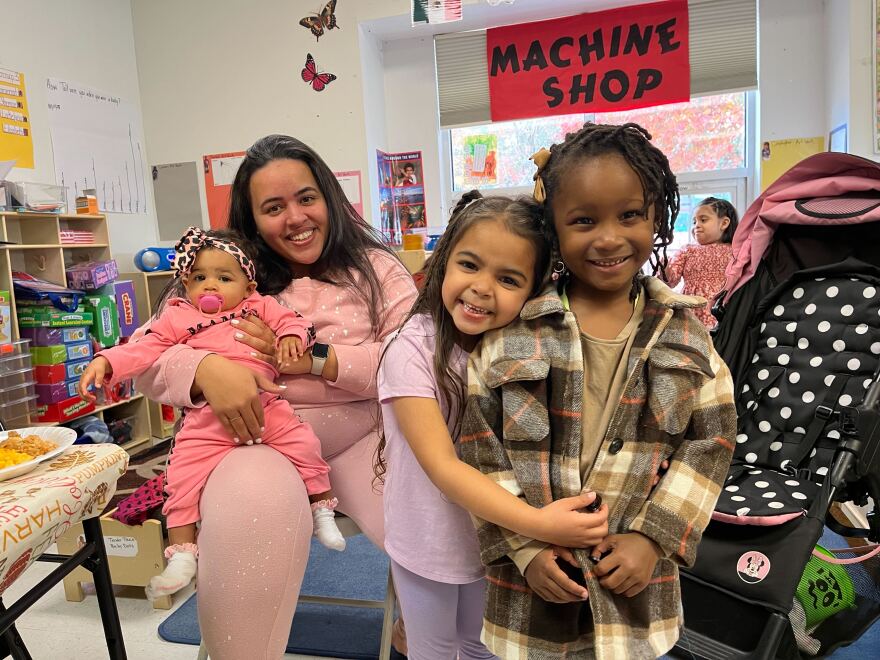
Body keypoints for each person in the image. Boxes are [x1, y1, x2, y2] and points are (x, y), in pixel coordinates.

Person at [131, 135, 418, 660]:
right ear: (251, 218)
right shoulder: (220, 272)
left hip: (369, 438)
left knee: (447, 518)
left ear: (329, 197)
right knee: (250, 504)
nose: (295, 218)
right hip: (254, 442)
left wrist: (316, 360)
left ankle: (420, 633)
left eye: (306, 198)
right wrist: (204, 369)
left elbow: (420, 361)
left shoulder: (378, 268)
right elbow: (142, 356)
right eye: (273, 207)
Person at [461, 122, 737, 658]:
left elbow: (713, 442)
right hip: (533, 590)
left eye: (629, 215)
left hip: (635, 589)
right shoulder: (515, 332)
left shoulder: (686, 334)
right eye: (584, 220)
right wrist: (521, 546)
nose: (609, 237)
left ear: (657, 215)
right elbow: (477, 448)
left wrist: (654, 537)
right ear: (555, 229)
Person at [376, 191, 610, 660]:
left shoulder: (520, 348)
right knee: (435, 650)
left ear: (533, 290)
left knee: (485, 647)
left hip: (497, 544)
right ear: (443, 264)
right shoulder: (411, 349)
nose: (482, 288)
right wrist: (538, 523)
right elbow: (442, 466)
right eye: (469, 265)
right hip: (428, 539)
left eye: (507, 278)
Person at [80, 227, 347, 601]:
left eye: (224, 278)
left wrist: (291, 339)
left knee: (305, 444)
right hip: (206, 417)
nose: (210, 286)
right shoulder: (177, 316)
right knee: (181, 477)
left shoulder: (260, 306)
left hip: (266, 404)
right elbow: (144, 347)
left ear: (248, 286)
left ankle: (322, 510)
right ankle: (183, 556)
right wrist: (107, 360)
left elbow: (294, 322)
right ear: (186, 283)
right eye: (199, 278)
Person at [663, 197, 739, 329]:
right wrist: (664, 266)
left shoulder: (736, 252)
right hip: (689, 313)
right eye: (694, 222)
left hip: (721, 313)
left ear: (724, 223)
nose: (696, 225)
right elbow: (671, 281)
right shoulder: (687, 250)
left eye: (703, 220)